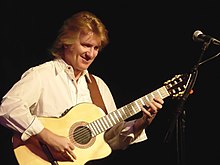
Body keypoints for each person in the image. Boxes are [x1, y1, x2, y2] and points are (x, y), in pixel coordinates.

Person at [0, 11, 164, 164]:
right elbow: (8, 108)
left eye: (96, 48)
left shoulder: (98, 86)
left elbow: (112, 139)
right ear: (66, 43)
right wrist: (47, 136)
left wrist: (141, 123)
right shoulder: (42, 75)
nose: (91, 54)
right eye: (86, 45)